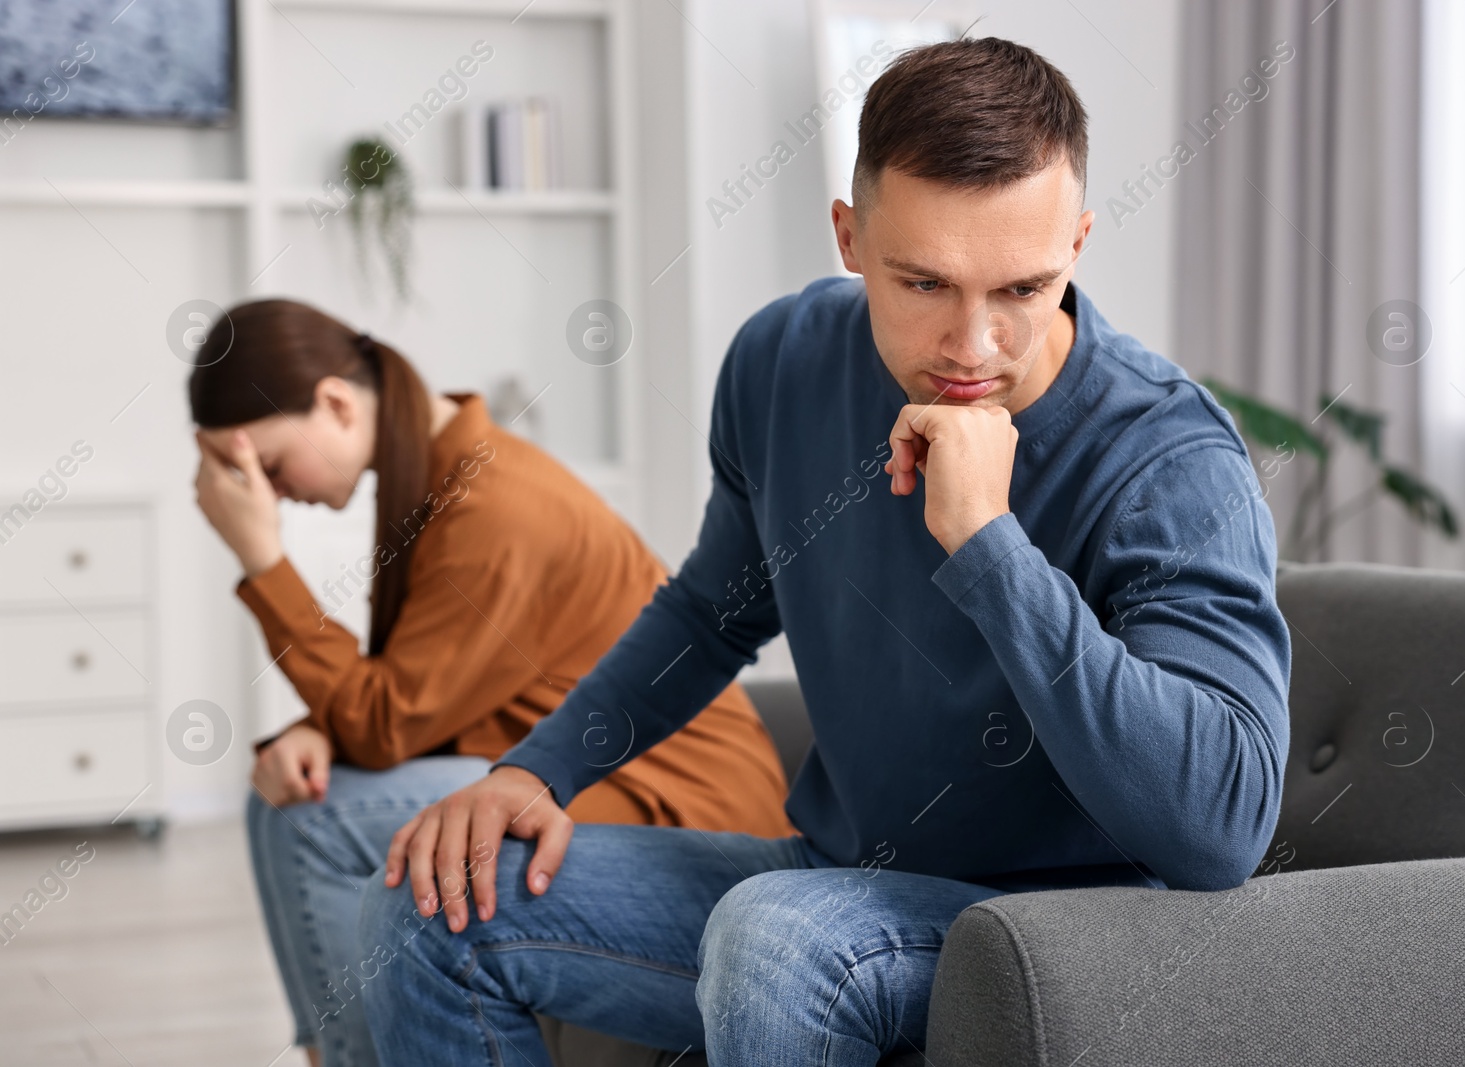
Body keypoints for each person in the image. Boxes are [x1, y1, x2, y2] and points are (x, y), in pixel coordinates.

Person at [360, 36, 1292, 1066]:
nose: (973, 346)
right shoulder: (782, 361)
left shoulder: (1168, 459)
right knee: (434, 894)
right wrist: (539, 769)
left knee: (780, 934)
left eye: (1021, 290)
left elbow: (1219, 827)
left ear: (1074, 245)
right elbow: (714, 610)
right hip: (840, 877)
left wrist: (991, 543)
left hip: (1070, 931)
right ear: (849, 237)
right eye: (924, 283)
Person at [187, 298, 793, 1067]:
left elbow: (385, 722)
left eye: (268, 468)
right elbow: (419, 692)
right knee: (288, 800)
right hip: (561, 768)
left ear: (336, 403)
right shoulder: (434, 476)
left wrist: (263, 560)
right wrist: (317, 728)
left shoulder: (492, 500)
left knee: (315, 817)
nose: (266, 495)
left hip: (668, 793)